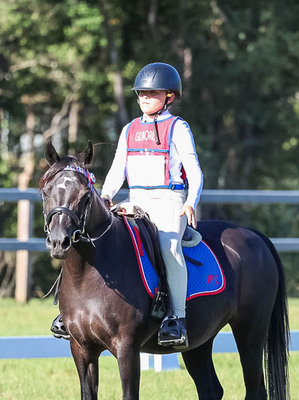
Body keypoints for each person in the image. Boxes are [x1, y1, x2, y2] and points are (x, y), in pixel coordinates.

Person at [51, 62, 203, 349]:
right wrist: (107, 196)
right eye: (141, 93)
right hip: (135, 200)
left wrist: (191, 202)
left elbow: (194, 171)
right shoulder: (130, 129)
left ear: (170, 96)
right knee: (87, 236)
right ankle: (66, 311)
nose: (144, 97)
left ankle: (176, 319)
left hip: (169, 200)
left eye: (152, 92)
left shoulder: (178, 128)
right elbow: (117, 170)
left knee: (170, 249)